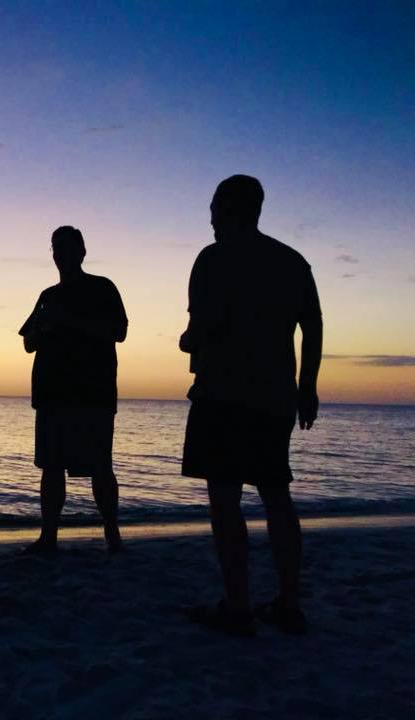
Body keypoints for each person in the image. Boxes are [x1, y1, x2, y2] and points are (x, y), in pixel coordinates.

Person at [180, 175, 323, 636]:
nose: (210, 216)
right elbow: (313, 326)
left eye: (213, 207)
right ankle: (287, 602)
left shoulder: (214, 259)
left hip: (222, 394)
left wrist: (188, 340)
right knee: (275, 495)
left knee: (225, 499)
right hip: (276, 396)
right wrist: (307, 385)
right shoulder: (291, 261)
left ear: (226, 209)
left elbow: (204, 328)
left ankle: (237, 607)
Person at [19, 226, 128, 555]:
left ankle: (113, 535)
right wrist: (44, 328)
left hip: (92, 393)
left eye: (66, 248)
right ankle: (48, 537)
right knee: (51, 467)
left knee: (100, 467)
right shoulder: (47, 295)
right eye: (55, 248)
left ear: (82, 251)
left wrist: (68, 321)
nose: (59, 254)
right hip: (52, 393)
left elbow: (119, 331)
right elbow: (27, 342)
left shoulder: (102, 288)